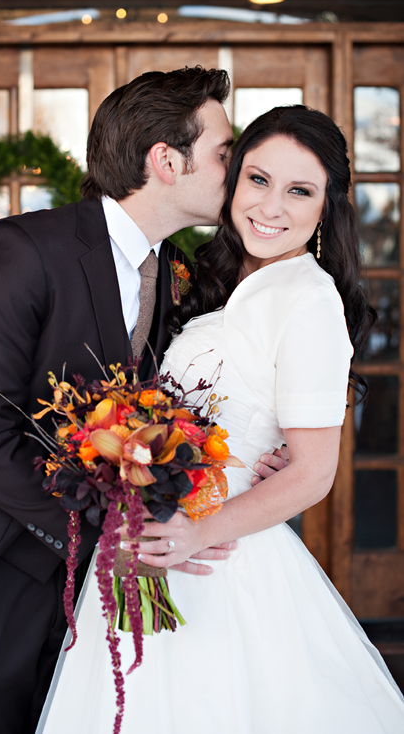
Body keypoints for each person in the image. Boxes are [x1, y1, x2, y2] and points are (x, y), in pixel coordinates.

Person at [0, 66, 287, 734]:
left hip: (90, 587)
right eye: (222, 152)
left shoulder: (169, 271)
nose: (235, 170)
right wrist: (106, 532)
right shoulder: (24, 251)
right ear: (165, 161)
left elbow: (171, 412)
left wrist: (249, 458)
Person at [36, 105, 404, 734]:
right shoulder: (220, 276)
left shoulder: (308, 298)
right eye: (257, 179)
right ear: (233, 182)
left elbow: (314, 474)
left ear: (325, 210)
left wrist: (194, 535)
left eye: (299, 191)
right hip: (155, 538)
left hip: (219, 557)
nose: (271, 207)